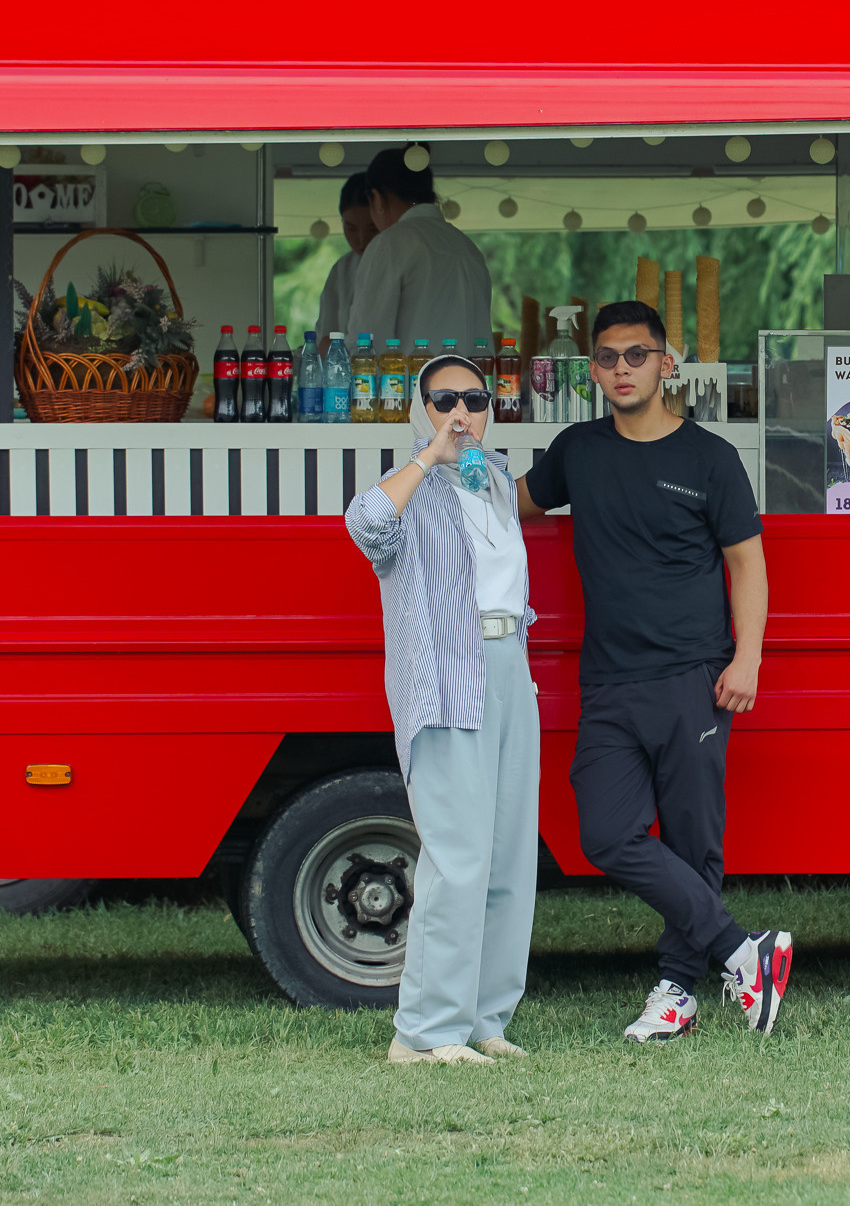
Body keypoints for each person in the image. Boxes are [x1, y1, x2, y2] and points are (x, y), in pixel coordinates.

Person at [516, 300, 792, 1040]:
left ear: (666, 363)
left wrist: (748, 656)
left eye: (636, 355)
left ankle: (677, 993)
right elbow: (512, 506)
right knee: (605, 834)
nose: (622, 369)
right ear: (593, 369)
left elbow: (748, 564)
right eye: (608, 357)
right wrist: (448, 462)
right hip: (609, 681)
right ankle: (744, 951)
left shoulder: (709, 458)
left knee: (692, 842)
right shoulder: (577, 450)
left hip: (693, 676)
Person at [345, 351, 539, 1067]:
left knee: (509, 856)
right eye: (444, 399)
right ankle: (426, 1032)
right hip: (447, 677)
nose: (462, 412)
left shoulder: (494, 479)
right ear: (419, 409)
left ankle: (485, 1016)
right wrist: (430, 453)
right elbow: (364, 526)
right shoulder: (411, 487)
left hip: (509, 666)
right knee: (457, 857)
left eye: (475, 399)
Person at [346, 146, 493, 356]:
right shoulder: (468, 247)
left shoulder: (390, 243)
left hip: (417, 377)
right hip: (473, 376)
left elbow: (366, 343)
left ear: (376, 199)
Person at [314, 172, 377, 343]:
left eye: (372, 229)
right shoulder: (342, 269)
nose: (361, 240)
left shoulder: (401, 263)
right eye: (351, 228)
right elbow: (326, 338)